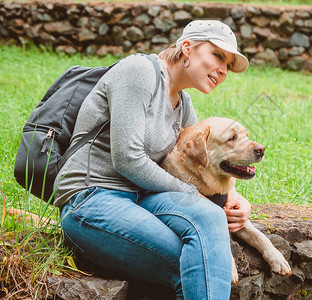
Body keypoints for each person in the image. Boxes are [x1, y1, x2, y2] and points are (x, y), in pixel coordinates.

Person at [54, 20, 251, 299]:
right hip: (91, 198)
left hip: (144, 199)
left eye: (228, 65)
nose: (223, 70)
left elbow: (196, 170)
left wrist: (236, 199)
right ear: (186, 48)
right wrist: (195, 194)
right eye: (218, 56)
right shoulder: (138, 72)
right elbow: (127, 159)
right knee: (197, 263)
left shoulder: (184, 104)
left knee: (209, 221)